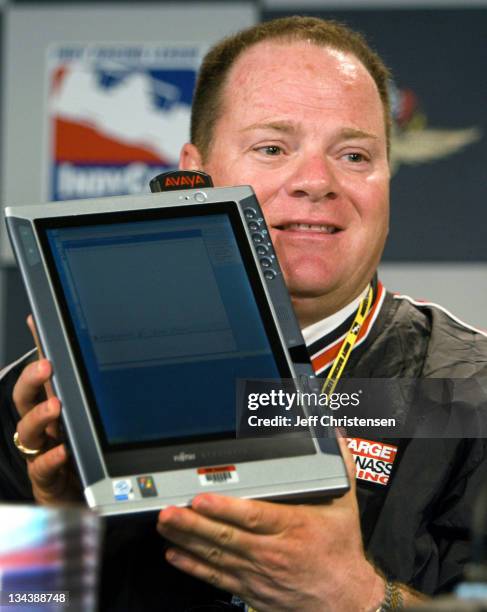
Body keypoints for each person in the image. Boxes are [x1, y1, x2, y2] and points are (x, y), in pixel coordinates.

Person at [2, 16, 487, 612]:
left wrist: (357, 598)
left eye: (355, 154)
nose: (316, 182)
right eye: (272, 148)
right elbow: (29, 603)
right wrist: (61, 530)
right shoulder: (49, 398)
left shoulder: (472, 393)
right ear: (195, 173)